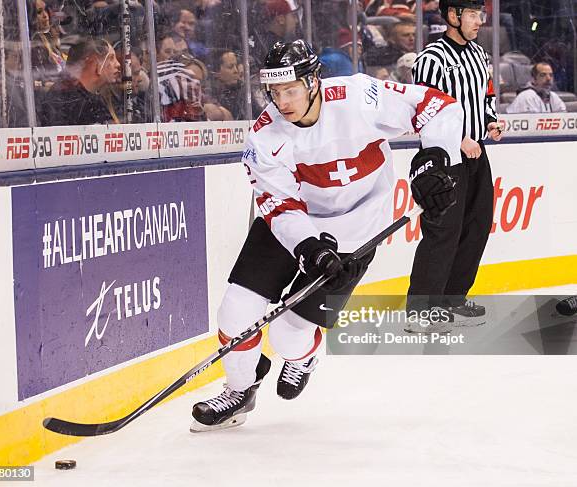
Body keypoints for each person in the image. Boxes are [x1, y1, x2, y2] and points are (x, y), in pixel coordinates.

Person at [190, 39, 463, 432]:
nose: (281, 101)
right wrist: (308, 246)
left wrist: (435, 157)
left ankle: (302, 358)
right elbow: (280, 205)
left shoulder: (358, 97)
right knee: (235, 311)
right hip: (292, 227)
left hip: (357, 230)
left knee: (287, 335)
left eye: (291, 90)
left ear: (313, 81)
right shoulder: (264, 138)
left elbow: (436, 105)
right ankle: (239, 390)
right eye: (274, 92)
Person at [407, 0, 503, 329]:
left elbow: (485, 97)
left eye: (481, 14)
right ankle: (421, 309)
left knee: (477, 226)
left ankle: (453, 298)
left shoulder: (479, 55)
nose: (480, 21)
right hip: (443, 157)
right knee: (442, 232)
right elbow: (424, 107)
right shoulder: (432, 58)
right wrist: (458, 138)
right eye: (473, 14)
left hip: (477, 155)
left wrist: (490, 122)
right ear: (453, 15)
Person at [39, 37, 121, 126]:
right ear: (94, 62)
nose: (118, 64)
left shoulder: (96, 100)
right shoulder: (65, 98)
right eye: (111, 58)